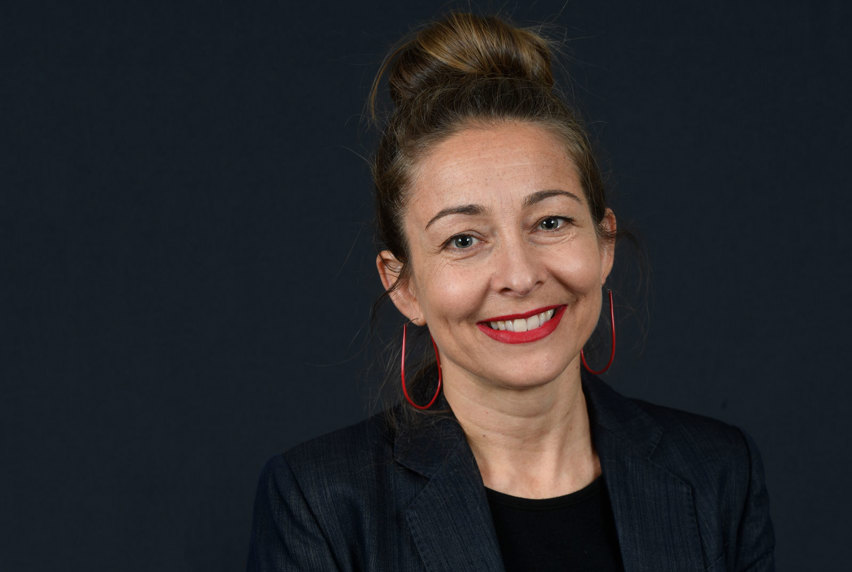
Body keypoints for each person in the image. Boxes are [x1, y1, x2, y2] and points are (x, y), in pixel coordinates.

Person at [247, 12, 774, 571]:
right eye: (464, 239)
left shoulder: (718, 473)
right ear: (404, 286)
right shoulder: (322, 503)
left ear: (605, 244)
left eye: (550, 223)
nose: (520, 277)